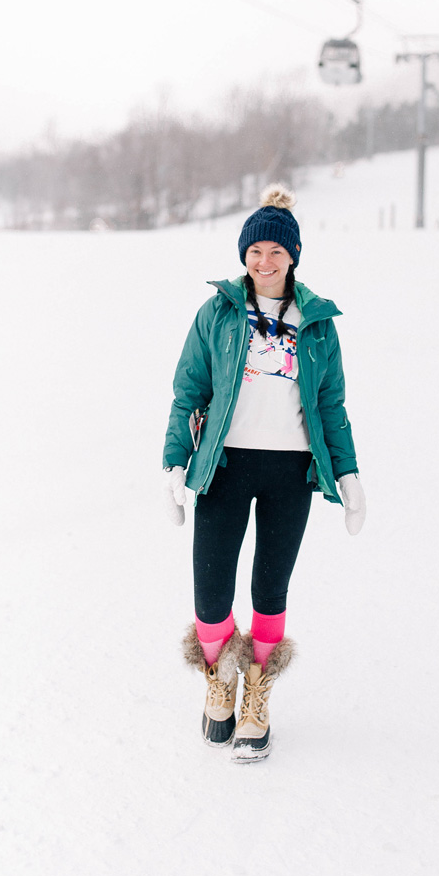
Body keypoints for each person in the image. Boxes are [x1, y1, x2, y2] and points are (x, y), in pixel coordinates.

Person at [162, 184, 365, 763]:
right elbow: (188, 392)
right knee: (211, 595)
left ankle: (256, 695)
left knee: (269, 591)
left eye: (277, 251)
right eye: (256, 251)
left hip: (290, 474)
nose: (264, 261)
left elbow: (332, 406)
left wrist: (347, 476)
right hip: (224, 466)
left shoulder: (318, 323)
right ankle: (220, 681)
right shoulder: (218, 314)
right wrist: (176, 462)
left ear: (293, 257)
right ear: (244, 255)